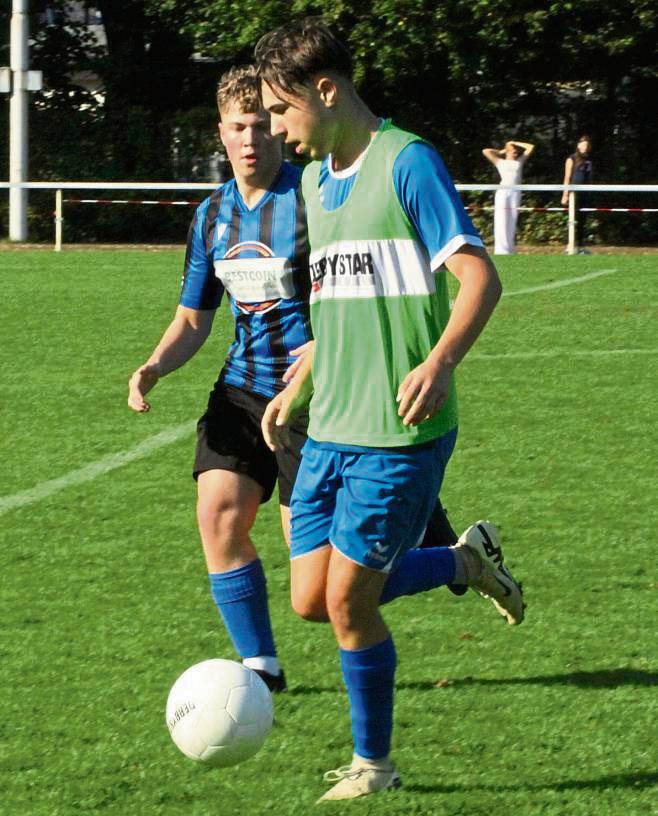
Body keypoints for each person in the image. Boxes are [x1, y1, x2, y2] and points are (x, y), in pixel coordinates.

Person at [126, 65, 489, 696]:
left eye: (263, 123)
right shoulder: (212, 217)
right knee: (218, 513)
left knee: (322, 593)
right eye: (238, 126)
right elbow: (193, 316)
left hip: (320, 399)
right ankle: (259, 669)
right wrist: (156, 364)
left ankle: (459, 559)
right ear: (220, 133)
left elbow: (349, 288)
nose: (251, 138)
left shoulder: (313, 193)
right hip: (243, 388)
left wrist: (324, 353)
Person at [256, 19, 525, 802]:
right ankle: (464, 561)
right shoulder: (312, 183)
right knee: (311, 599)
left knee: (348, 600)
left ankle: (373, 763)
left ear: (326, 90)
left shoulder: (409, 164)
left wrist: (439, 362)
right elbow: (335, 301)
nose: (276, 130)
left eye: (281, 111)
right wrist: (299, 381)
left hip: (399, 435)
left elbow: (481, 281)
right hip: (328, 428)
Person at [482, 139, 535, 255]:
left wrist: (516, 143)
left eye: (516, 150)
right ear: (507, 151)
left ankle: (510, 249)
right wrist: (501, 151)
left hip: (515, 192)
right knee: (501, 219)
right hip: (503, 191)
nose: (514, 151)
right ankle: (501, 250)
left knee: (512, 218)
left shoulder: (519, 161)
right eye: (512, 150)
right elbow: (486, 151)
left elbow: (530, 147)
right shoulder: (500, 161)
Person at [561, 135, 593, 254]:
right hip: (574, 194)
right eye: (583, 145)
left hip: (585, 194)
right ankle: (569, 245)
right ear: (578, 145)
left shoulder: (589, 160)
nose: (585, 147)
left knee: (582, 220)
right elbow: (567, 177)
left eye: (587, 145)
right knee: (572, 219)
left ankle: (580, 246)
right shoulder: (571, 159)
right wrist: (565, 194)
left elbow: (589, 179)